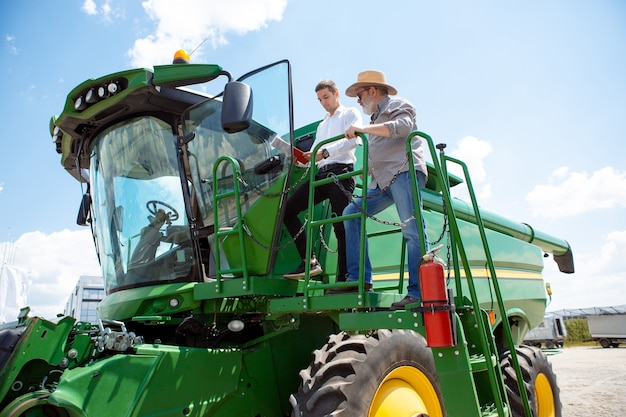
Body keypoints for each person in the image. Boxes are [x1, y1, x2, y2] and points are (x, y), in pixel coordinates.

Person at [334, 70, 428, 311]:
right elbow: (382, 148)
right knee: (351, 213)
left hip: (404, 173)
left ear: (373, 91)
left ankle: (418, 293)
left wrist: (363, 130)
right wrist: (368, 168)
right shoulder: (375, 119)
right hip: (383, 182)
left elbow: (403, 128)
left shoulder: (397, 104)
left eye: (360, 94)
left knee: (412, 230)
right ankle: (359, 280)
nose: (358, 100)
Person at [283, 80, 363, 280]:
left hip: (341, 174)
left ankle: (345, 279)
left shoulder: (350, 113)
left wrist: (325, 152)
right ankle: (309, 262)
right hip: (320, 175)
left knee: (341, 226)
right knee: (288, 210)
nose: (323, 103)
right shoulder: (322, 125)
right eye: (320, 100)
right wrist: (300, 161)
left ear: (336, 93)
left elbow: (354, 140)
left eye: (326, 97)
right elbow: (315, 155)